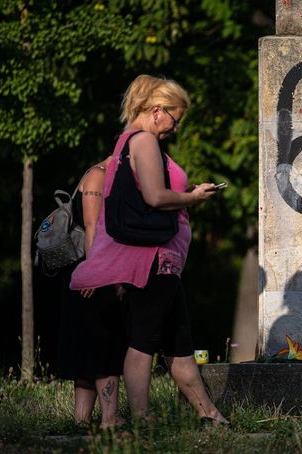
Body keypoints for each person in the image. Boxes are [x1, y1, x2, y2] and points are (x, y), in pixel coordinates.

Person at [70, 74, 228, 425]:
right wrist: (194, 197)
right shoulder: (143, 141)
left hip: (164, 263)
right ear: (157, 111)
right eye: (174, 120)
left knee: (179, 346)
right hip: (153, 261)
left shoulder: (124, 142)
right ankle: (142, 419)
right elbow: (155, 197)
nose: (174, 129)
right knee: (143, 343)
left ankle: (211, 416)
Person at [57, 156, 128, 429]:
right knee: (104, 344)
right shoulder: (98, 176)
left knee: (86, 349)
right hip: (91, 274)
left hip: (87, 272)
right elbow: (92, 227)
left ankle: (80, 421)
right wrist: (96, 272)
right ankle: (110, 419)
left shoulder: (105, 176)